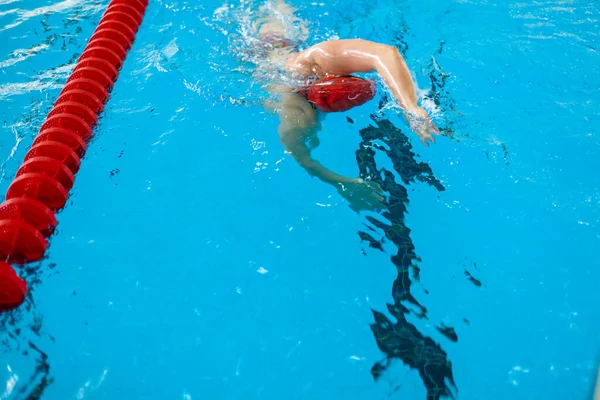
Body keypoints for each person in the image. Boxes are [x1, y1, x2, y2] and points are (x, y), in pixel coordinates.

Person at [252, 0, 439, 210]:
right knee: (267, 12)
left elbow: (386, 53)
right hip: (265, 45)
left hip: (284, 45)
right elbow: (302, 158)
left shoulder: (319, 58)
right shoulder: (295, 112)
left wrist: (410, 106)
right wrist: (344, 184)